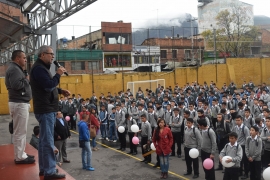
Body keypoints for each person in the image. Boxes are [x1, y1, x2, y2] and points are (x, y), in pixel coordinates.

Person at [30, 45, 69, 179]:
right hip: (45, 109)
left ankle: (43, 168)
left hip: (46, 108)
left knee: (43, 141)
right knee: (47, 141)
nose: (53, 56)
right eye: (50, 54)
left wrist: (60, 90)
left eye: (53, 54)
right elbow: (47, 86)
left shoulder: (42, 69)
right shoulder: (39, 69)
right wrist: (58, 74)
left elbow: (47, 86)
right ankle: (50, 171)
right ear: (42, 55)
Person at [5, 50, 35, 164]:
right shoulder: (14, 69)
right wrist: (27, 80)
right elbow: (17, 85)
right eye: (24, 58)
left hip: (19, 103)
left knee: (21, 131)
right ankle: (20, 157)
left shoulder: (15, 69)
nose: (25, 60)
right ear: (17, 58)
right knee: (20, 132)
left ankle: (21, 153)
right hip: (19, 104)